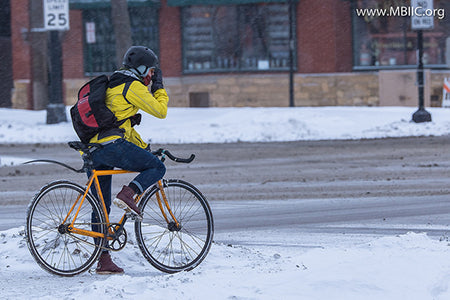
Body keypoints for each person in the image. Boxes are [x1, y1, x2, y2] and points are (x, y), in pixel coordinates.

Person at [88, 46, 169, 274]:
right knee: (157, 167)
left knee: (100, 205)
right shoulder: (132, 86)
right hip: (111, 146)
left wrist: (144, 149)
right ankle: (128, 193)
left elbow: (122, 128)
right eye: (151, 71)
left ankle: (103, 261)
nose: (152, 75)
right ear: (142, 69)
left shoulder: (116, 82)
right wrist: (159, 87)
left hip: (96, 148)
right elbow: (161, 111)